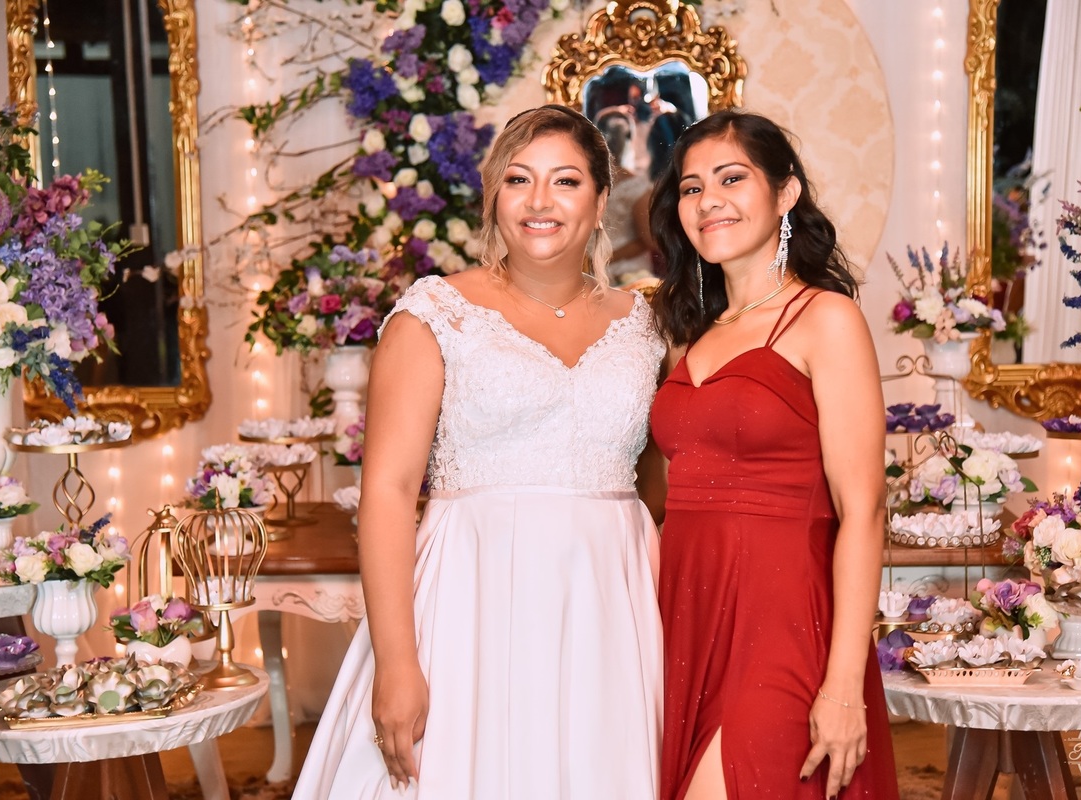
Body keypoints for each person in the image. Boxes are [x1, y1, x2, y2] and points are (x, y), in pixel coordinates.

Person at [293, 104, 665, 799]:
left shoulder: (645, 326)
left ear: (600, 202)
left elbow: (661, 484)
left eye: (565, 181)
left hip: (612, 606)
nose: (540, 201)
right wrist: (396, 663)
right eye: (518, 180)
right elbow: (388, 493)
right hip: (472, 601)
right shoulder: (436, 314)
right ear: (494, 198)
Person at [647, 110, 898, 800]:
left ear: (786, 192)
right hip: (683, 616)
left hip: (782, 617)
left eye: (731, 179)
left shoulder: (826, 319)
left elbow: (864, 510)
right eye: (692, 188)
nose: (709, 201)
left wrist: (843, 683)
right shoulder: (690, 336)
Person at [596, 109, 655, 284]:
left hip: (624, 272)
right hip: (601, 268)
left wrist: (601, 259)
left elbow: (648, 240)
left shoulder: (636, 188)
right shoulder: (638, 187)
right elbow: (650, 240)